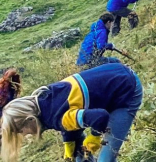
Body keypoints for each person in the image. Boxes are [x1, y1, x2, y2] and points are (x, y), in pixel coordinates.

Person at [0, 61, 144, 162]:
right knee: (79, 154)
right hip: (114, 72)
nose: (24, 135)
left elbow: (100, 117)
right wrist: (69, 143)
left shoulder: (59, 117)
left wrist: (94, 137)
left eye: (20, 131)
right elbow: (70, 122)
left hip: (126, 89)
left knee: (106, 158)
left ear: (30, 120)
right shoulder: (44, 101)